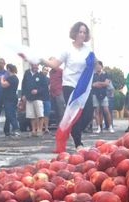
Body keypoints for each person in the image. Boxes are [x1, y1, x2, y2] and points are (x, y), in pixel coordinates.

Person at [36, 21, 95, 150]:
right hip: (70, 85)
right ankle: (78, 143)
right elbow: (55, 64)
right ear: (75, 33)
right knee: (73, 115)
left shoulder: (88, 50)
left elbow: (92, 66)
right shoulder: (67, 50)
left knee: (88, 113)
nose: (82, 34)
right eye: (80, 32)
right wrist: (42, 60)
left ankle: (71, 130)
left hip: (84, 88)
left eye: (85, 32)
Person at [21, 63, 47, 136]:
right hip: (29, 97)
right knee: (31, 115)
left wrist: (37, 91)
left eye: (36, 65)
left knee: (40, 114)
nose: (35, 67)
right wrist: (23, 95)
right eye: (34, 65)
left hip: (38, 98)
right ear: (31, 65)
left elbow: (44, 87)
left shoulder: (41, 75)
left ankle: (40, 130)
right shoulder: (27, 73)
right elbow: (23, 85)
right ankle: (33, 130)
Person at [92, 61, 114, 133]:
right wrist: (102, 83)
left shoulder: (105, 74)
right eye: (96, 66)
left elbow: (107, 83)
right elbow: (92, 85)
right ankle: (99, 127)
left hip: (104, 94)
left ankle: (110, 126)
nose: (98, 67)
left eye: (99, 65)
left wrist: (98, 83)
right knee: (97, 111)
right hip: (95, 94)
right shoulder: (93, 75)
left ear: (101, 66)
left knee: (106, 110)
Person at [0, 64, 20, 137]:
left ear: (8, 69)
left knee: (10, 114)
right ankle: (6, 130)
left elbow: (3, 85)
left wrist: (2, 78)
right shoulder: (16, 78)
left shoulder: (11, 78)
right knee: (11, 114)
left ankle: (16, 128)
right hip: (13, 97)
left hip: (9, 98)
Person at [49, 63, 65, 128]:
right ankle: (58, 126)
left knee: (61, 111)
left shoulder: (61, 71)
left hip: (59, 92)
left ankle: (63, 126)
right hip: (52, 94)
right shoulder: (50, 72)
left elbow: (64, 80)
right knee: (56, 111)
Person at [41, 66, 51, 134]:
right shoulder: (38, 77)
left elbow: (50, 88)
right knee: (40, 114)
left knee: (46, 114)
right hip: (39, 98)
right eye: (45, 70)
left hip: (47, 98)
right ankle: (40, 128)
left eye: (47, 70)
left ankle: (46, 128)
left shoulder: (49, 79)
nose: (46, 71)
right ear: (42, 70)